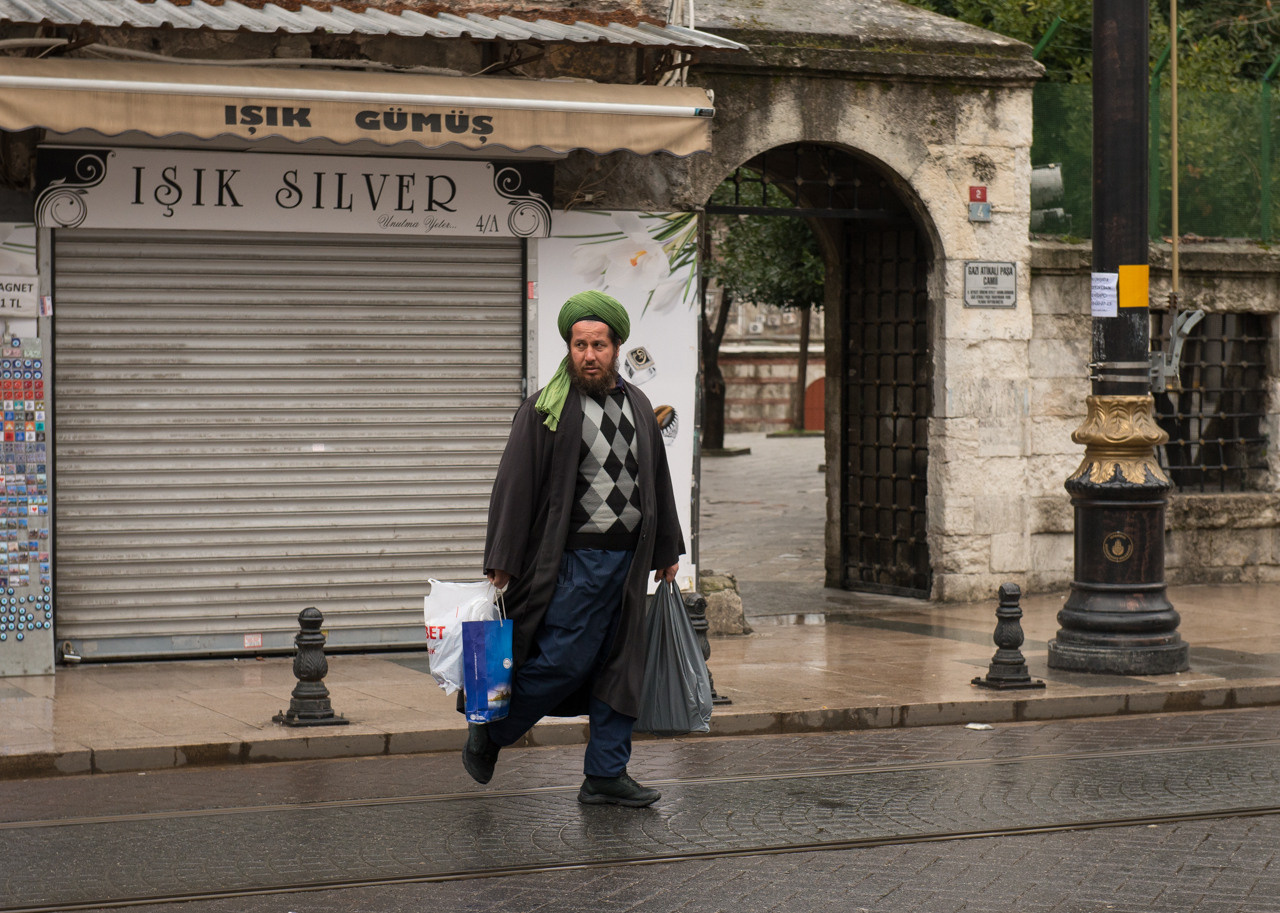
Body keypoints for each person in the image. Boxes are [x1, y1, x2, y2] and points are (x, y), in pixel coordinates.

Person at [463, 290, 685, 808]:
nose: (589, 355)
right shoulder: (546, 409)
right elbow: (514, 485)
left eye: (598, 345)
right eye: (580, 345)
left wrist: (667, 551)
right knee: (564, 661)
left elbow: (658, 479)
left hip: (630, 564)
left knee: (620, 669)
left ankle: (606, 773)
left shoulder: (640, 405)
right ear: (569, 347)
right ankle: (492, 730)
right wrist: (502, 559)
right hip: (575, 566)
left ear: (616, 347)